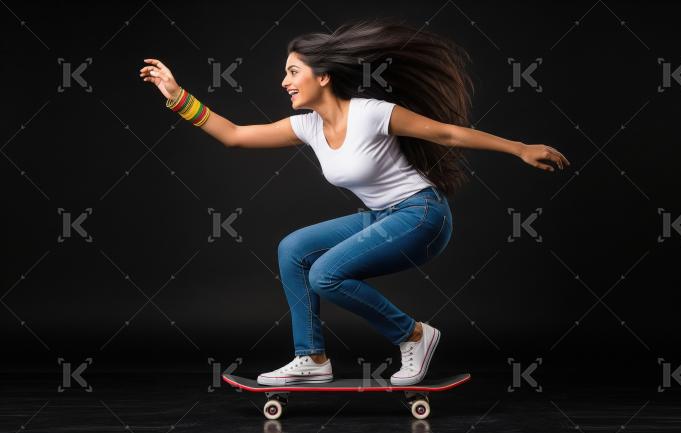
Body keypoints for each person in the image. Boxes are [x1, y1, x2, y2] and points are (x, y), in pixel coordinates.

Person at [140, 19, 569, 387]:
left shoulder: (371, 113)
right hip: (383, 217)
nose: (284, 82)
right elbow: (234, 135)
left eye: (293, 71)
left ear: (322, 76)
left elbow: (447, 134)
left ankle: (413, 336)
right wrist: (177, 97)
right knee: (293, 249)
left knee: (326, 273)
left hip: (423, 215)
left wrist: (519, 147)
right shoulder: (307, 126)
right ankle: (312, 359)